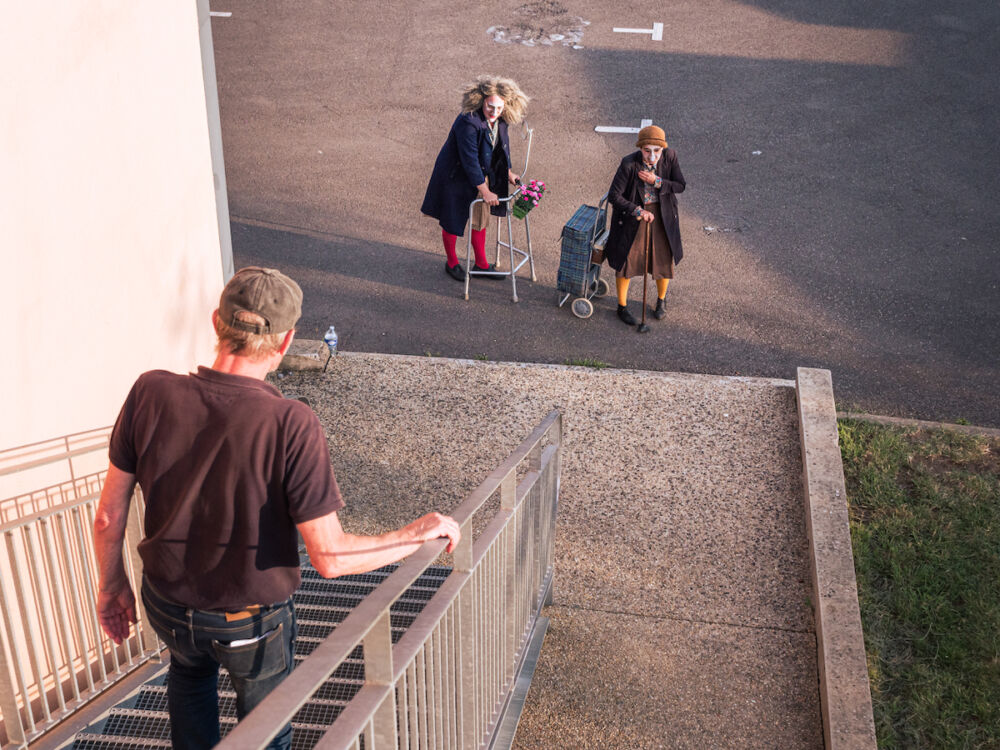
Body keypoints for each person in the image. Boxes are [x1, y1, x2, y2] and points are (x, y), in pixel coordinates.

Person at [93, 267, 461, 750]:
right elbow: (330, 557)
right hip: (248, 623)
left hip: (166, 604)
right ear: (286, 341)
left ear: (216, 322)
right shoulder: (290, 423)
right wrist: (415, 534)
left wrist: (112, 586)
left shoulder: (150, 391)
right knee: (266, 728)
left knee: (189, 677)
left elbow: (107, 517)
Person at [421, 75, 529, 281]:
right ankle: (451, 263)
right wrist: (485, 190)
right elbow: (469, 160)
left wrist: (508, 172)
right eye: (490, 107)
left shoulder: (500, 119)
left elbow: (501, 148)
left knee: (480, 219)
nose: (494, 112)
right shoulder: (468, 122)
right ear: (481, 101)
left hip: (481, 173)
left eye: (499, 108)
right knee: (452, 219)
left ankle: (481, 264)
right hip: (455, 175)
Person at [604, 125, 686, 327]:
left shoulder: (670, 157)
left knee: (663, 260)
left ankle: (661, 300)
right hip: (634, 217)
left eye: (657, 151)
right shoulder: (629, 164)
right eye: (647, 151)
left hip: (662, 216)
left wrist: (658, 181)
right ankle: (622, 306)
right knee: (627, 261)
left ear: (663, 149)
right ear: (640, 148)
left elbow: (680, 185)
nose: (652, 156)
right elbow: (614, 196)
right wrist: (637, 211)